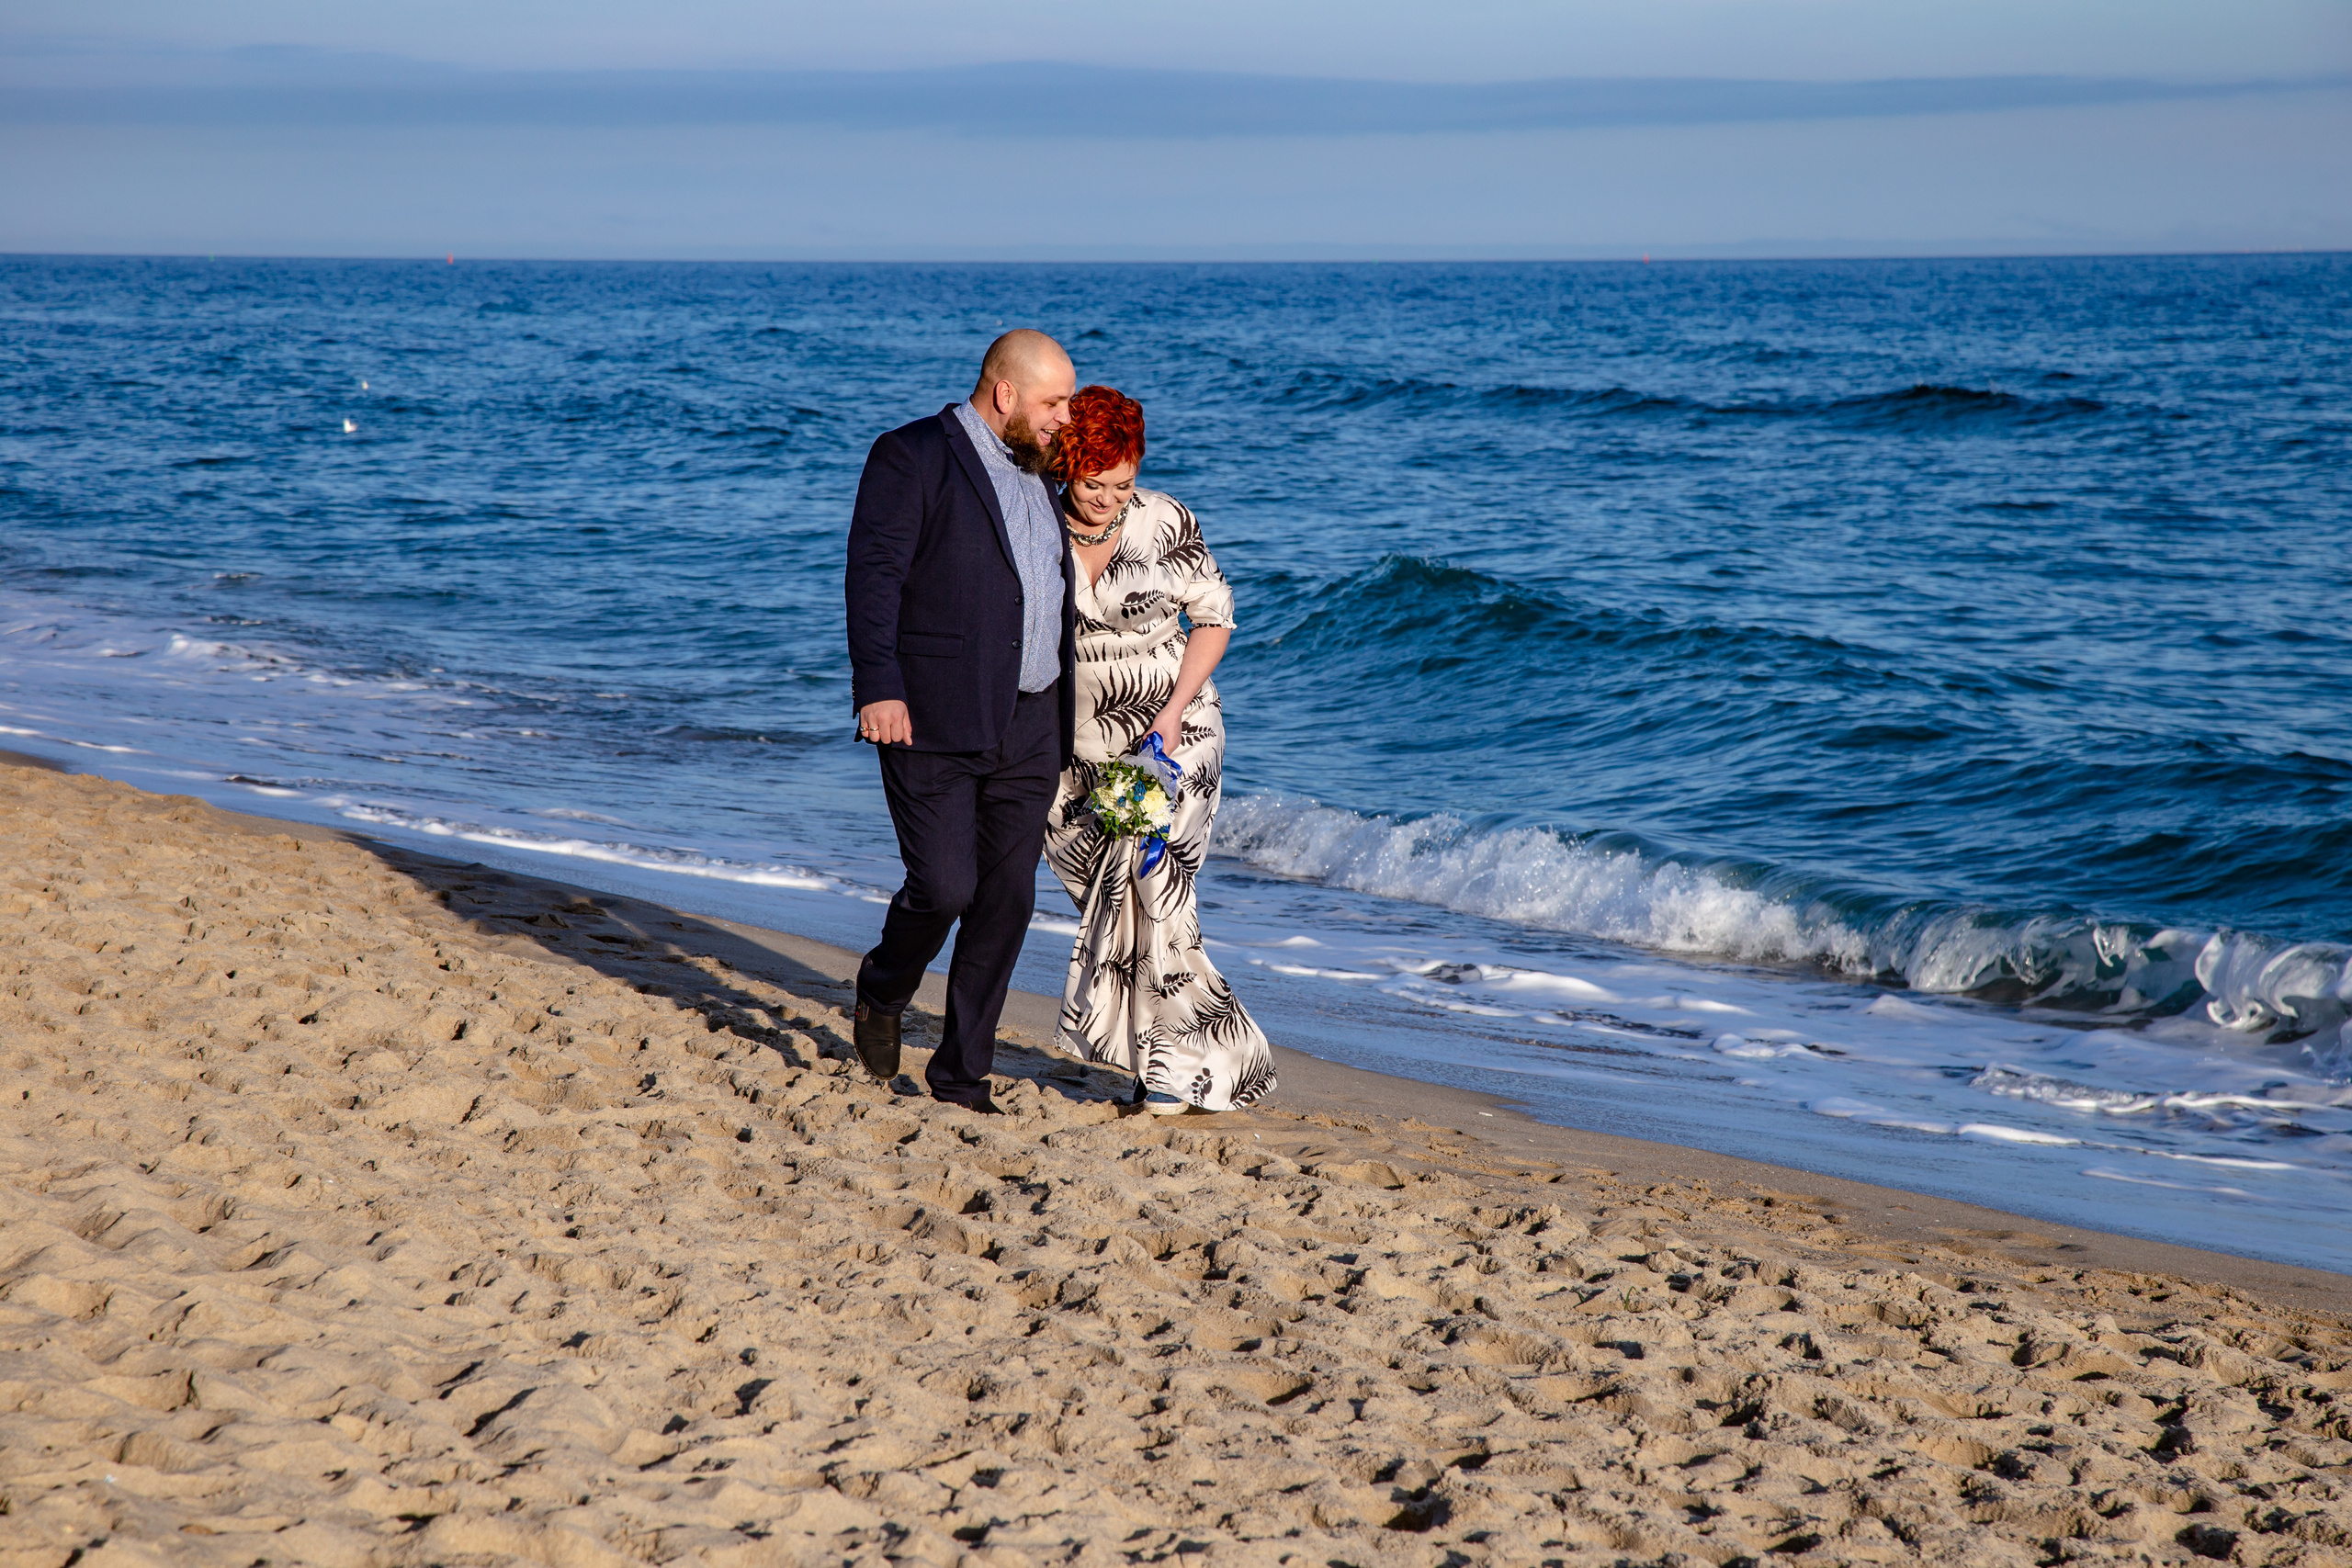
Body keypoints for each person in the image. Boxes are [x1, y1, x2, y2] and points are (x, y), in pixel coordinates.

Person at [843, 329, 1078, 1113]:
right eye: (1053, 401)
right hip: (930, 715)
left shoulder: (1041, 463)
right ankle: (883, 988)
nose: (1065, 417)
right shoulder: (911, 455)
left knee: (1006, 901)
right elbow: (874, 575)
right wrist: (878, 686)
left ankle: (960, 1075)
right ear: (1006, 394)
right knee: (943, 886)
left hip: (1034, 718)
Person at [1043, 386, 1277, 1113]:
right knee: (1112, 907)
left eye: (1124, 484)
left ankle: (1184, 1069)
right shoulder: (1032, 519)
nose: (1110, 499)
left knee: (1156, 888)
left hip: (1173, 732)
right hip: (1074, 750)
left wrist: (1173, 713)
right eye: (1095, 483)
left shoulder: (1164, 520)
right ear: (1065, 463)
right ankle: (1167, 1057)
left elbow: (1216, 617)